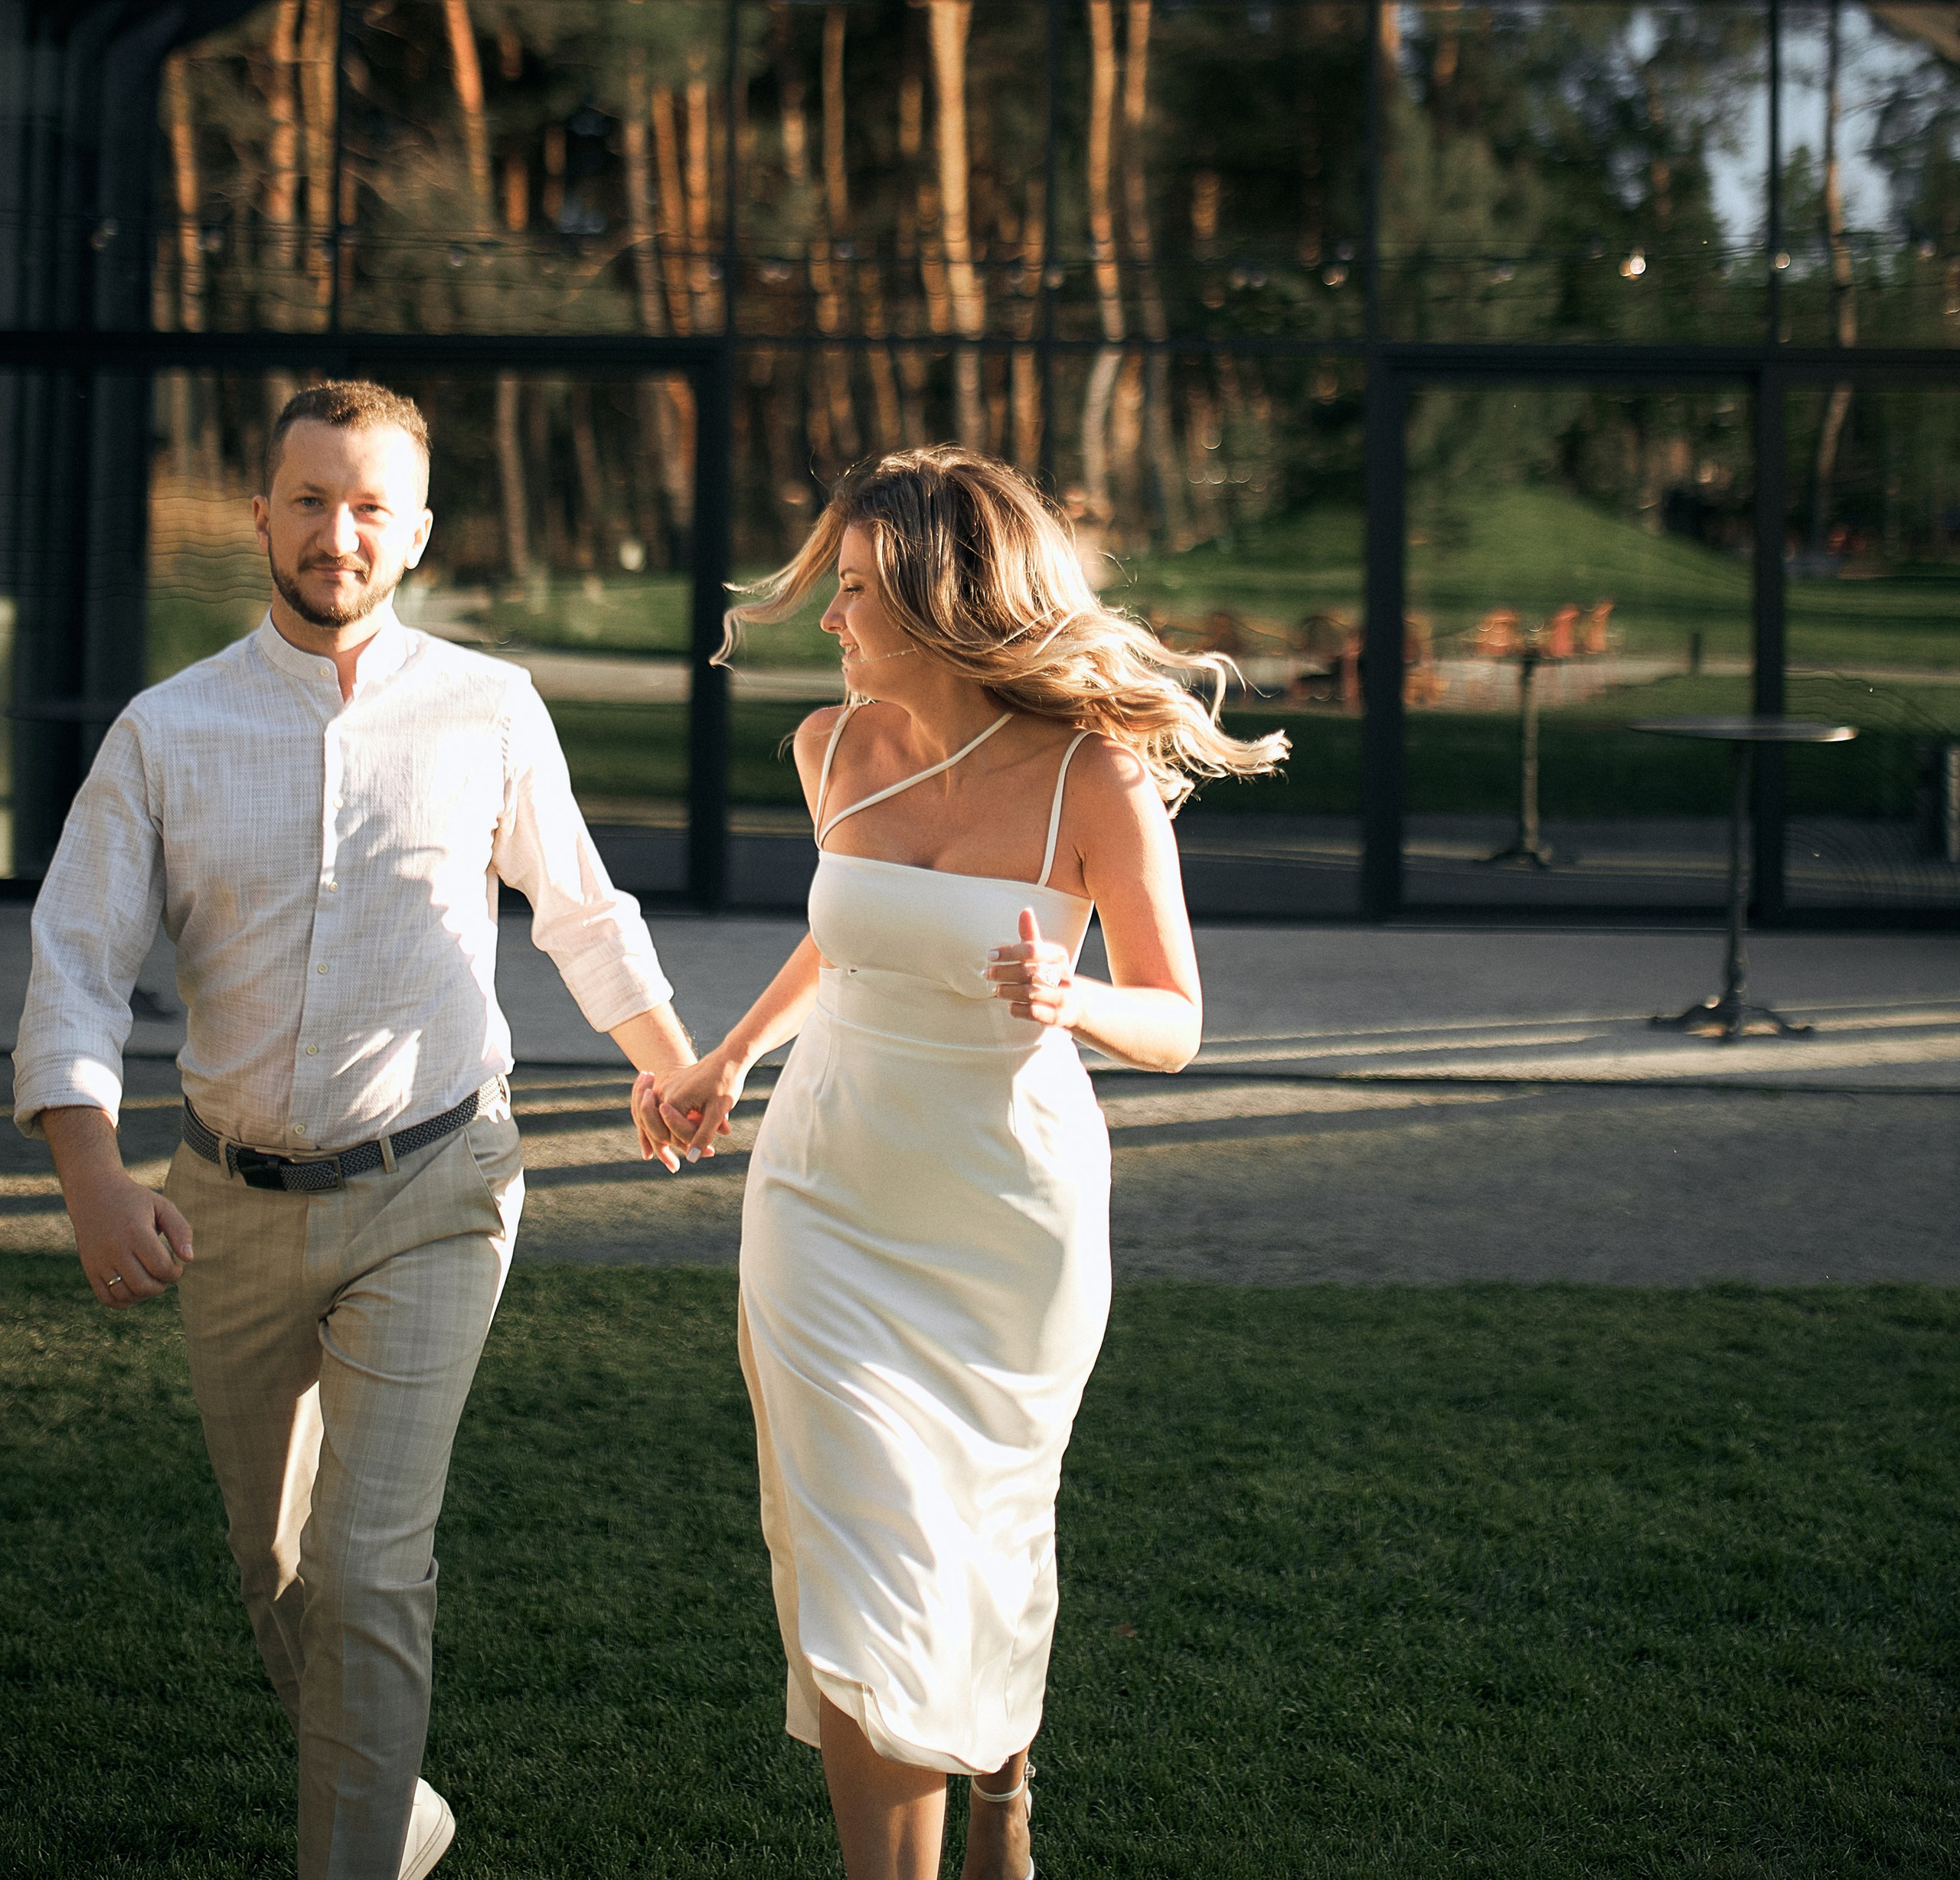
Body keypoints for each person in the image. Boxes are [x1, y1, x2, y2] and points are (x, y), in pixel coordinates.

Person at [15, 380, 697, 1880]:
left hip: (439, 1186)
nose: (339, 530)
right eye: (311, 499)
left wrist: (667, 1063)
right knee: (277, 1572)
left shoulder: (487, 708)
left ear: (419, 532)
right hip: (228, 1203)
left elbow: (577, 908)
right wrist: (90, 1174)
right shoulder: (166, 732)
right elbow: (72, 958)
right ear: (260, 516)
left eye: (371, 504)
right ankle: (397, 1818)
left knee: (372, 1567)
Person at [637, 447, 1284, 1880]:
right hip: (827, 1197)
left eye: (857, 592)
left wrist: (1077, 998)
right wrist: (730, 1053)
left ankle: (1005, 1781)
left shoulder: (1091, 772)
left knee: (978, 1534)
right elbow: (851, 932)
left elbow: (1176, 1018)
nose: (832, 620)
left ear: (941, 601)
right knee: (866, 1559)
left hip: (1006, 1216)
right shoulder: (828, 748)